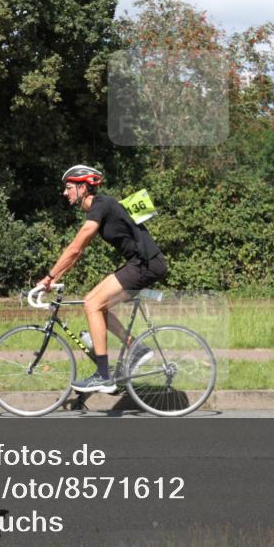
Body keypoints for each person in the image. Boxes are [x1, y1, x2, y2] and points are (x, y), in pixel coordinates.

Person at [37, 165, 167, 393]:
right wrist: (54, 277)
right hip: (142, 264)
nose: (64, 193)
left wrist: (48, 278)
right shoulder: (102, 207)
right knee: (97, 303)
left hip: (145, 265)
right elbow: (77, 252)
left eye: (69, 188)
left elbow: (75, 248)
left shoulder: (101, 205)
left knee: (92, 303)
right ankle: (135, 349)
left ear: (83, 187)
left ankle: (103, 376)